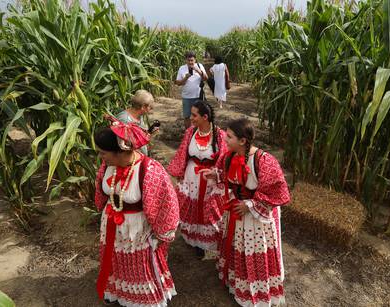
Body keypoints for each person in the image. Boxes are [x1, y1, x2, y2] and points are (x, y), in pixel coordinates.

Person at [200, 118, 291, 307]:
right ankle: (238, 281)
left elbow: (279, 193)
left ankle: (255, 290)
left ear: (242, 141)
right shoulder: (229, 156)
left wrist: (250, 205)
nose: (225, 139)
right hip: (236, 210)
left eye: (229, 136)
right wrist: (216, 175)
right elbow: (230, 176)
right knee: (237, 247)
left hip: (256, 219)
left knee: (252, 249)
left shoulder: (264, 161)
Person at [94, 116, 179, 306]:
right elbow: (102, 192)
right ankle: (119, 292)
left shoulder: (149, 170)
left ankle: (142, 299)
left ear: (120, 151)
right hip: (112, 226)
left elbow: (166, 204)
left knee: (138, 266)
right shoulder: (107, 166)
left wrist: (161, 235)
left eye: (103, 153)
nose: (101, 157)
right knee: (116, 261)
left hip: (137, 231)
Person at [167, 100, 227, 258]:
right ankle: (193, 240)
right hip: (191, 176)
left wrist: (217, 174)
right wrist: (179, 173)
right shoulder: (191, 132)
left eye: (194, 115)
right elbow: (182, 153)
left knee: (209, 210)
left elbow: (225, 158)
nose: (191, 118)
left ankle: (208, 243)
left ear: (205, 117)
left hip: (210, 179)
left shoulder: (220, 135)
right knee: (191, 206)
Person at [116, 90, 157, 156]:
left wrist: (150, 133)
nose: (150, 109)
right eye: (150, 107)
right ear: (143, 107)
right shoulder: (125, 120)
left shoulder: (139, 116)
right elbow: (124, 146)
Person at [175, 51, 208, 129]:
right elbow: (178, 83)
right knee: (187, 117)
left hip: (198, 96)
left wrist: (198, 71)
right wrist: (185, 78)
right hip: (186, 97)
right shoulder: (182, 68)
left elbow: (206, 78)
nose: (190, 62)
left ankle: (197, 132)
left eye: (192, 60)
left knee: (199, 116)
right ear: (185, 60)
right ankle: (188, 134)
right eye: (188, 60)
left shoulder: (199, 66)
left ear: (195, 60)